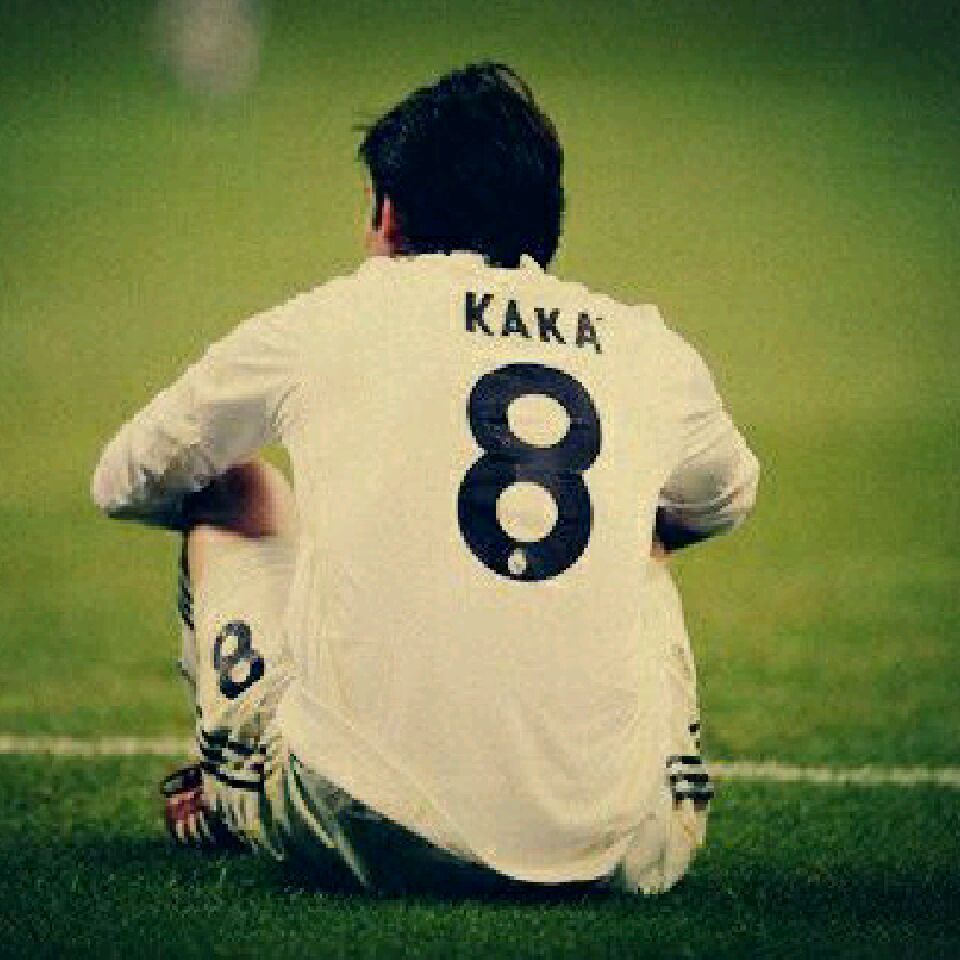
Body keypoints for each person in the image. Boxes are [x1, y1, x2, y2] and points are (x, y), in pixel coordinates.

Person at [92, 62, 758, 896]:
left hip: (356, 824)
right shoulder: (647, 348)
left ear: (389, 213)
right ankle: (660, 785)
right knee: (641, 534)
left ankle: (232, 779)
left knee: (233, 490)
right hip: (623, 851)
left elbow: (123, 477)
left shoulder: (328, 321)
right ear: (545, 217)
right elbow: (725, 497)